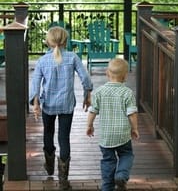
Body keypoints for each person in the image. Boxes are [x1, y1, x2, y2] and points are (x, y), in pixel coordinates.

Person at [29, 26, 93, 190]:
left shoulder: (43, 60)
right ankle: (63, 179)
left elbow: (35, 83)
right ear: (65, 41)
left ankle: (49, 165)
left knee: (48, 133)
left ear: (48, 42)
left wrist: (36, 102)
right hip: (66, 104)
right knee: (64, 138)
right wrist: (87, 94)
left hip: (48, 104)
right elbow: (85, 77)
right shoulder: (73, 57)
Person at [86, 58, 139, 191]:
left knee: (108, 161)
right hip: (122, 134)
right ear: (125, 76)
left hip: (106, 136)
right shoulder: (127, 93)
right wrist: (135, 128)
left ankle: (107, 186)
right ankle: (121, 175)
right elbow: (132, 114)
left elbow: (92, 111)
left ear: (107, 73)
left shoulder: (99, 92)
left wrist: (89, 126)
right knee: (126, 154)